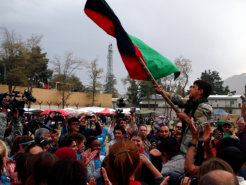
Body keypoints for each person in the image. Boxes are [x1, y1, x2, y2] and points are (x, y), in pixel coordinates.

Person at [155, 80, 213, 164]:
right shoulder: (192, 102)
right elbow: (178, 100)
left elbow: (200, 128)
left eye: (193, 87)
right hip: (184, 149)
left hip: (194, 152)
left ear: (200, 91)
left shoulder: (204, 107)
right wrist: (161, 92)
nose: (191, 89)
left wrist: (186, 118)